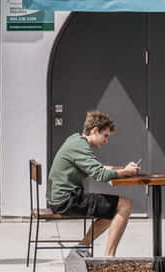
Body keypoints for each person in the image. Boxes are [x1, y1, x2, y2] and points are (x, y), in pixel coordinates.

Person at [48, 109, 139, 256]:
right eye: (105, 136)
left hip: (60, 198)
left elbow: (98, 167)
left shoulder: (75, 140)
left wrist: (122, 169)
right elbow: (100, 174)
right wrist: (125, 172)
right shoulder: (81, 147)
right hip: (67, 201)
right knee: (125, 205)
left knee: (113, 208)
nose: (106, 140)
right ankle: (108, 257)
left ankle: (82, 248)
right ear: (95, 130)